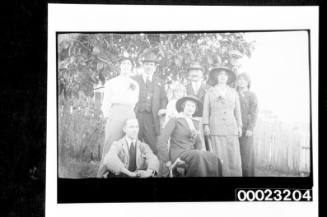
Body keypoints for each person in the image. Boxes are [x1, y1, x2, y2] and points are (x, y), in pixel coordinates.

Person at [157, 96, 222, 177]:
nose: (190, 108)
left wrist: (203, 153)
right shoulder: (175, 120)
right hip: (178, 153)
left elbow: (198, 143)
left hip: (192, 153)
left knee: (214, 158)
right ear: (183, 106)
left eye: (193, 106)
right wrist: (166, 160)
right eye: (188, 105)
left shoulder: (195, 122)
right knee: (197, 155)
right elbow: (162, 140)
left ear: (195, 109)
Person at [97, 56, 139, 177]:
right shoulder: (111, 82)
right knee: (111, 143)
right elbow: (106, 102)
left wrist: (130, 113)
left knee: (129, 143)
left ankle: (122, 173)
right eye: (123, 63)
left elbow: (135, 100)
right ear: (120, 66)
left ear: (131, 67)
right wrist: (108, 116)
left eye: (128, 64)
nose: (126, 66)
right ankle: (101, 174)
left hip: (130, 113)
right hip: (116, 112)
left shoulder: (134, 83)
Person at [203, 65, 243, 176]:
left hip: (231, 127)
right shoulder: (210, 92)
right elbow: (206, 110)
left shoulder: (234, 92)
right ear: (216, 77)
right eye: (220, 74)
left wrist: (240, 126)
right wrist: (206, 125)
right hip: (216, 126)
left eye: (225, 75)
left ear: (228, 78)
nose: (222, 77)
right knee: (219, 155)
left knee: (232, 156)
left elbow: (238, 111)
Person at [133, 49, 168, 155]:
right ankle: (133, 168)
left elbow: (164, 98)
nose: (149, 67)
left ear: (155, 67)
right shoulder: (134, 79)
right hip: (136, 115)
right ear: (143, 66)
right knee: (134, 142)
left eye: (151, 65)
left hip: (151, 117)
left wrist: (162, 108)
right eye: (147, 64)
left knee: (153, 145)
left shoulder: (159, 82)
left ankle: (152, 169)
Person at [236, 73, 258, 176]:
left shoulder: (252, 95)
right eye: (239, 79)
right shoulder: (234, 94)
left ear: (248, 82)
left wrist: (250, 128)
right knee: (236, 155)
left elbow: (254, 112)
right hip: (234, 128)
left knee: (246, 156)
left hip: (246, 129)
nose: (241, 82)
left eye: (244, 80)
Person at [185, 62, 211, 151]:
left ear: (202, 74)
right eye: (192, 71)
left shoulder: (209, 88)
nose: (194, 73)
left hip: (204, 123)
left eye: (197, 71)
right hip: (188, 122)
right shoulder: (184, 88)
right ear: (189, 74)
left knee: (207, 146)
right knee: (189, 146)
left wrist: (207, 123)